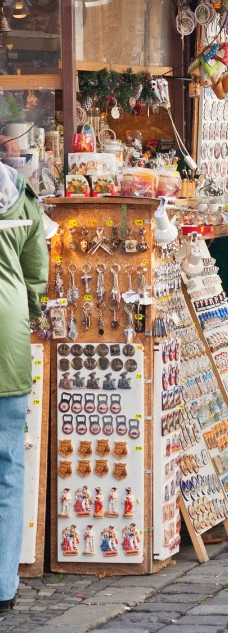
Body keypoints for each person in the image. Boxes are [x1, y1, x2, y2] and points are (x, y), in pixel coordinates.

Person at [0, 164, 47, 612]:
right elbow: (36, 277)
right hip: (7, 342)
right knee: (8, 468)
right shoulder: (19, 194)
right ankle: (1, 585)